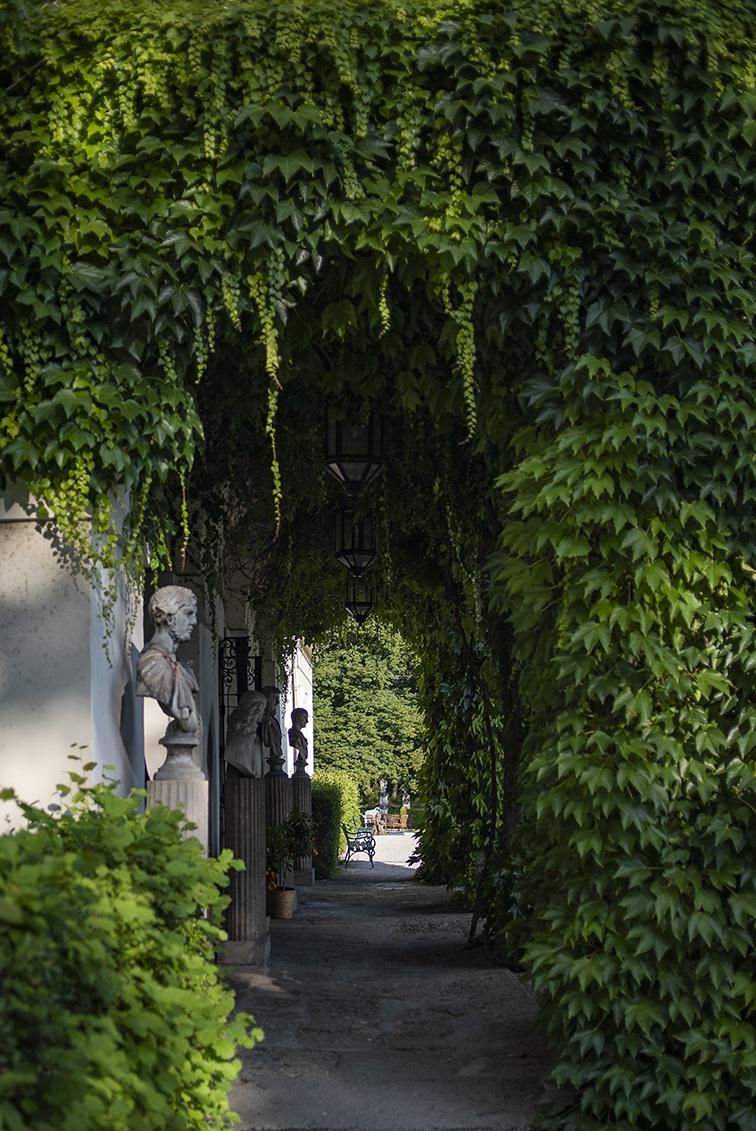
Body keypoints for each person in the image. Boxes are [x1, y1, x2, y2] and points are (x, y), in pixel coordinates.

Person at [136, 585, 199, 734]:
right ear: (168, 617)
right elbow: (189, 723)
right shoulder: (153, 666)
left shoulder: (179, 667)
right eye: (188, 613)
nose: (194, 621)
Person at [224, 690, 267, 777]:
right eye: (263, 709)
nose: (264, 713)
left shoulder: (253, 738)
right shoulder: (240, 741)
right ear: (257, 710)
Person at [261, 684, 285, 772]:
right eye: (274, 698)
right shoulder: (263, 720)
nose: (277, 702)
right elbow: (267, 741)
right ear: (266, 699)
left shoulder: (274, 721)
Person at [288, 707, 309, 772]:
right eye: (305, 718)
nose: (307, 721)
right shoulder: (294, 734)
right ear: (298, 719)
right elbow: (295, 743)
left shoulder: (300, 735)